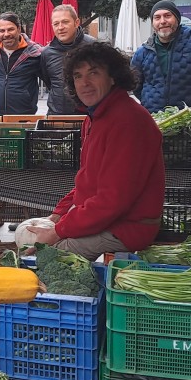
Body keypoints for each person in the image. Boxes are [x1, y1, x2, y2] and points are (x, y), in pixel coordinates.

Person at [26, 43, 165, 258]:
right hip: (105, 220)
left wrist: (58, 232)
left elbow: (112, 200)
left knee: (46, 258)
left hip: (125, 228)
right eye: (78, 76)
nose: (85, 83)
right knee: (34, 246)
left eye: (94, 73)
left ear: (113, 78)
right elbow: (89, 181)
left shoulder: (128, 120)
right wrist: (59, 214)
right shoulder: (95, 117)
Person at [131, 0, 191, 113]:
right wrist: (150, 102)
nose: (162, 21)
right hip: (154, 119)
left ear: (177, 19)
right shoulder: (142, 52)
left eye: (167, 16)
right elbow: (135, 84)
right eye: (157, 17)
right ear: (152, 23)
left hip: (189, 120)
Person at [0, 12, 49, 115]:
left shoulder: (35, 53)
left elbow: (52, 81)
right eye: (2, 30)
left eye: (10, 29)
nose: (6, 34)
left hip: (23, 118)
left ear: (19, 29)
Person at [43, 4, 95, 115]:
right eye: (56, 24)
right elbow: (49, 81)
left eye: (65, 22)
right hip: (57, 115)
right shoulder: (47, 53)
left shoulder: (93, 46)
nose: (60, 27)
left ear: (76, 23)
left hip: (89, 115)